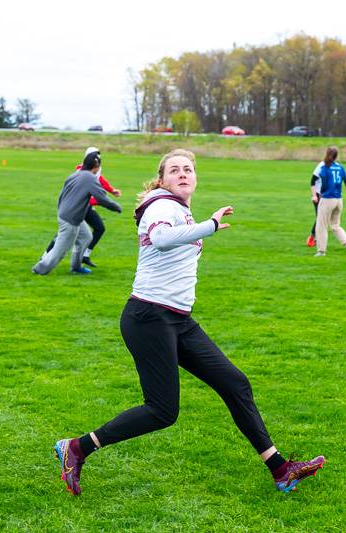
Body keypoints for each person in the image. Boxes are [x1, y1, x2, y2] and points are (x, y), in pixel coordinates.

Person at [53, 149, 326, 496]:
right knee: (162, 410)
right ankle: (77, 448)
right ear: (162, 179)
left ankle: (281, 470)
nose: (183, 174)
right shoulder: (161, 206)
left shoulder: (180, 209)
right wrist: (209, 226)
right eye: (175, 170)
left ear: (195, 178)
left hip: (177, 320)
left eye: (188, 169)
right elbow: (163, 240)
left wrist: (200, 224)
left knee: (235, 383)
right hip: (148, 317)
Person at [32, 152, 121, 275]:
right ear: (95, 166)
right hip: (70, 218)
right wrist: (116, 207)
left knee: (86, 237)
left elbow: (62, 195)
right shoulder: (90, 179)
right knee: (61, 249)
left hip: (69, 215)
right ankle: (39, 269)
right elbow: (102, 198)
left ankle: (76, 267)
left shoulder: (75, 175)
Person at [314, 146, 346, 257]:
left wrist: (321, 194)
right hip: (339, 200)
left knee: (321, 225)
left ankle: (321, 251)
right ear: (336, 156)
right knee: (335, 226)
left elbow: (324, 184)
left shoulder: (325, 168)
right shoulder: (340, 168)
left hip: (327, 199)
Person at [307, 167, 322, 247]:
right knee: (320, 218)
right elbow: (312, 181)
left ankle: (316, 238)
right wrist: (314, 196)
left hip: (328, 196)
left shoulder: (335, 166)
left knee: (324, 219)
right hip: (318, 195)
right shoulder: (321, 166)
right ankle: (312, 237)